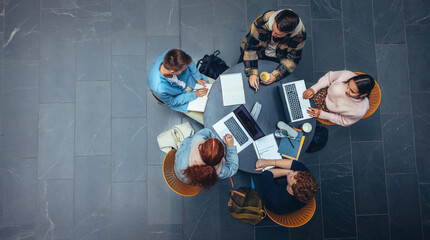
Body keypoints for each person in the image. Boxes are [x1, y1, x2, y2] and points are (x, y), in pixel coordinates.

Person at [240, 9, 306, 90]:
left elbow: (292, 59)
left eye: (277, 34)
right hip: (257, 51)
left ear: (290, 32)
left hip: (278, 56)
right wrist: (252, 72)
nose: (273, 34)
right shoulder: (263, 22)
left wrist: (275, 76)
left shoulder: (300, 36)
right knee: (242, 69)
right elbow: (250, 47)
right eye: (272, 29)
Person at [147, 49, 212, 125]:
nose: (185, 69)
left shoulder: (172, 55)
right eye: (183, 70)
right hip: (180, 97)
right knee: (207, 115)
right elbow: (172, 102)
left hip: (190, 80)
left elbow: (189, 62)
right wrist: (194, 95)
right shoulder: (160, 89)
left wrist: (197, 77)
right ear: (172, 72)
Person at [303, 71, 375, 126]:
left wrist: (321, 114)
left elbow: (342, 120)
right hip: (322, 90)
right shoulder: (346, 75)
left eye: (352, 91)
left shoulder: (359, 111)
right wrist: (314, 89)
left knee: (303, 120)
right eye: (348, 85)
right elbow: (328, 78)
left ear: (363, 95)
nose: (346, 91)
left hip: (326, 111)